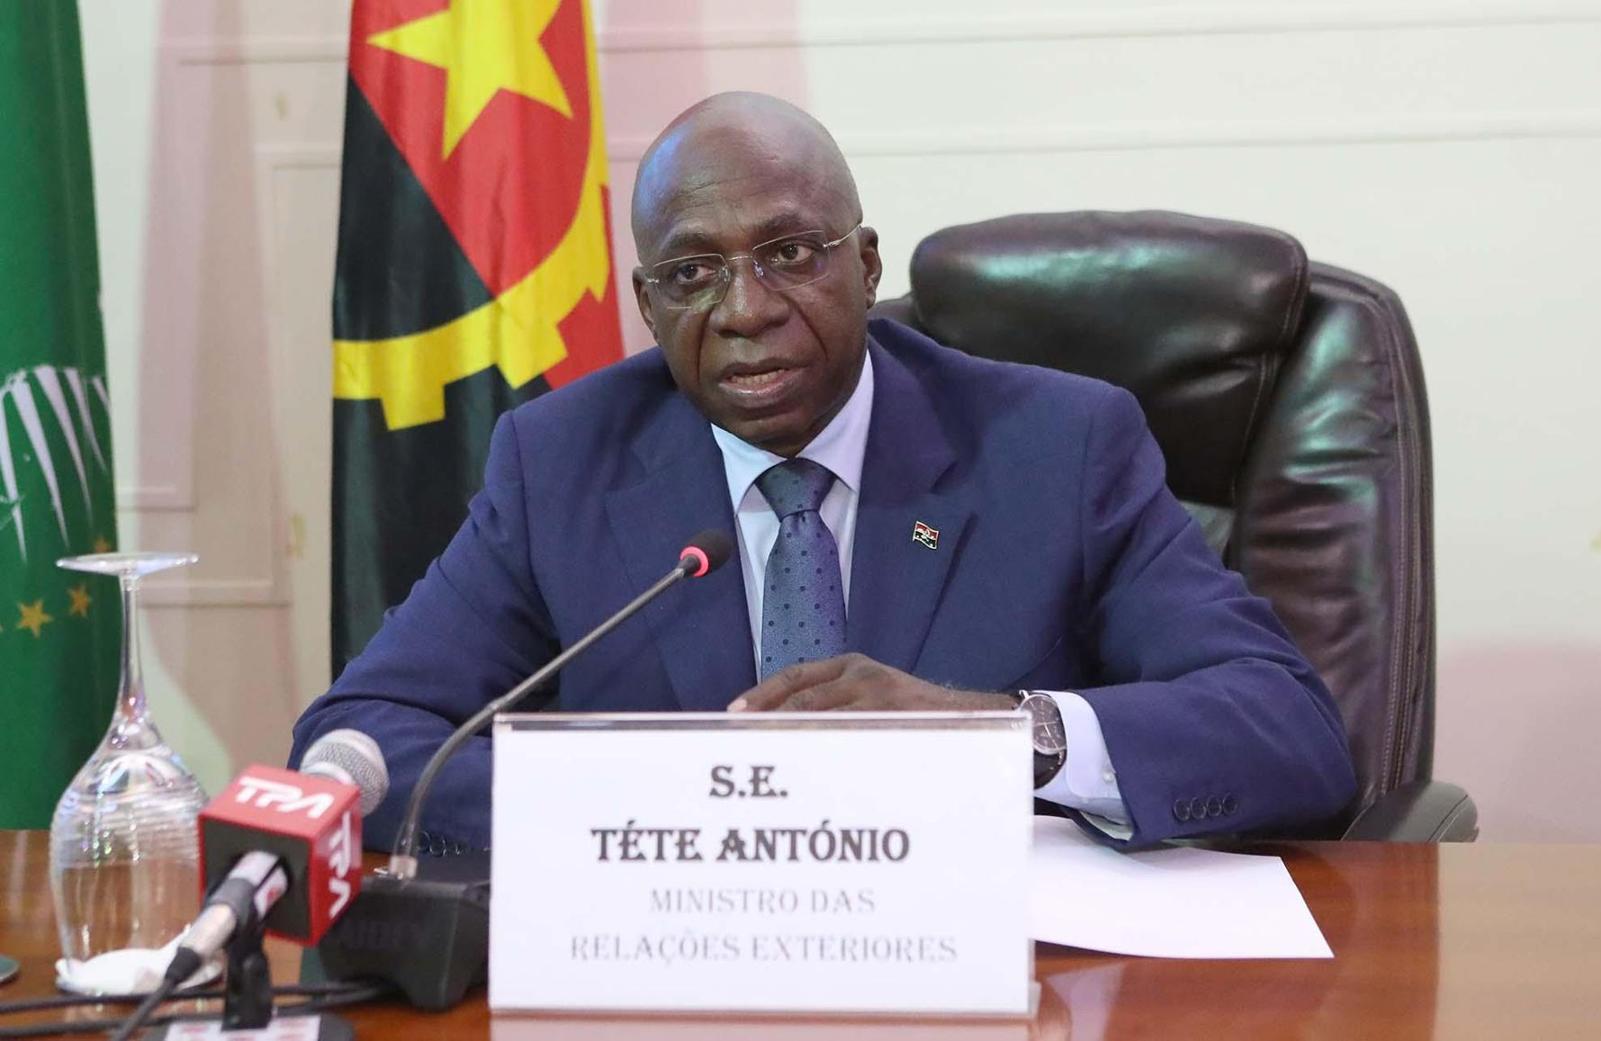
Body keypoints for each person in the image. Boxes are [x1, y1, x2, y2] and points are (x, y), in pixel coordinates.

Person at [290, 92, 1356, 853]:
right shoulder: (562, 461)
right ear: (649, 306)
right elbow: (355, 742)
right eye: (692, 272)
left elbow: (1288, 730)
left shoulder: (1061, 447)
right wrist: (670, 802)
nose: (745, 310)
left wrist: (1002, 733)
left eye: (790, 253)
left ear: (866, 264)